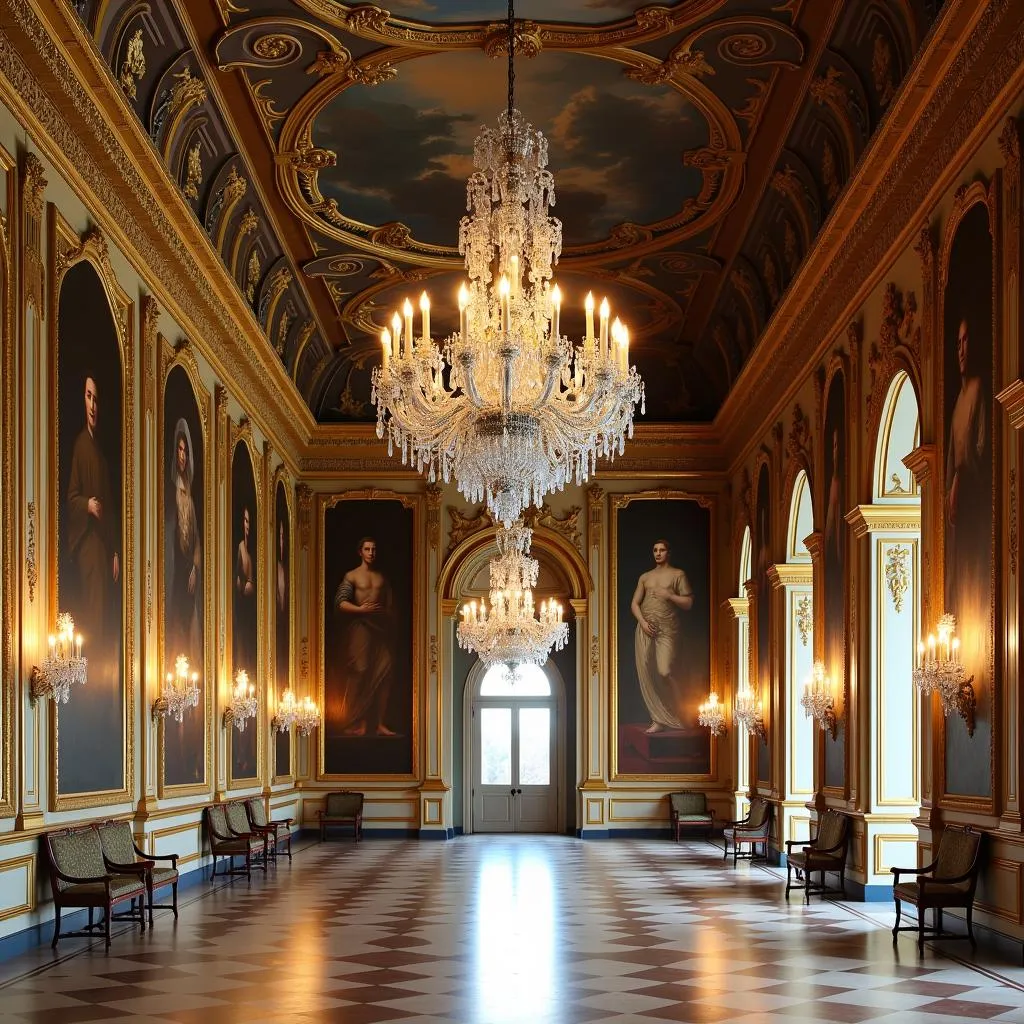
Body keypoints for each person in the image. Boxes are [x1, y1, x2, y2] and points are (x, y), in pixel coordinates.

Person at [66, 373, 119, 677]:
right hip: (87, 546)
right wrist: (86, 504)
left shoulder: (99, 453)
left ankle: (98, 672)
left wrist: (114, 552)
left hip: (103, 547)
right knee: (92, 611)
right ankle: (91, 673)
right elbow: (71, 496)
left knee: (103, 615)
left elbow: (111, 508)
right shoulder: (79, 446)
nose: (93, 405)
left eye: (96, 398)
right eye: (88, 396)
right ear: (81, 400)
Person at [329, 537, 396, 737]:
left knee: (385, 671)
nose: (371, 553)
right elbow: (340, 603)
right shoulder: (352, 576)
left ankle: (379, 723)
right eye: (367, 549)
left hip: (379, 629)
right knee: (359, 671)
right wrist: (360, 609)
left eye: (374, 549)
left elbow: (391, 606)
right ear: (360, 552)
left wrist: (385, 614)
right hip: (360, 629)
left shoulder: (382, 578)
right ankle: (354, 721)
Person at [944, 314, 989, 614]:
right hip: (958, 511)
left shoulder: (979, 390)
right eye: (957, 342)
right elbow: (948, 465)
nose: (961, 349)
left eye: (966, 340)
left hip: (975, 505)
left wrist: (961, 478)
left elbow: (983, 451)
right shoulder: (957, 404)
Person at [630, 539, 693, 734]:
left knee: (664, 671)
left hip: (667, 628)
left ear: (669, 552)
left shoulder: (677, 574)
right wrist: (643, 622)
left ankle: (680, 713)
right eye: (655, 550)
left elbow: (689, 602)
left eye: (662, 550)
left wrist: (670, 596)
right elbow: (634, 604)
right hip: (645, 628)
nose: (658, 553)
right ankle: (658, 718)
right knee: (648, 673)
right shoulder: (645, 577)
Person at [168, 420, 201, 664]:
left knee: (190, 621)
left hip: (188, 567)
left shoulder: (189, 495)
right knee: (176, 622)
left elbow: (197, 537)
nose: (182, 455)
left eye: (185, 451)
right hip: (173, 567)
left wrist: (195, 568)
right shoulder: (170, 491)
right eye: (179, 450)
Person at [234, 504, 255, 673]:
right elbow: (236, 576)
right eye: (245, 521)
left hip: (252, 610)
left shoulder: (252, 550)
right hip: (242, 607)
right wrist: (243, 584)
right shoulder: (241, 546)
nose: (247, 525)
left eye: (249, 521)